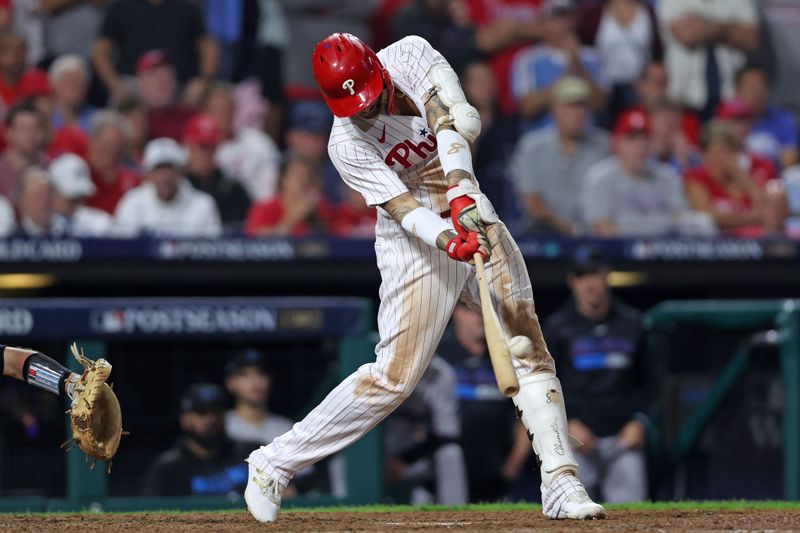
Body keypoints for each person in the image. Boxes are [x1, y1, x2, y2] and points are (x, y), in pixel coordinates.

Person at [243, 33, 605, 523]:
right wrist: (446, 239)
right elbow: (403, 209)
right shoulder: (344, 143)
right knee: (395, 377)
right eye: (352, 105)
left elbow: (451, 119)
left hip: (464, 200)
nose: (364, 111)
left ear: (375, 67)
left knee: (524, 339)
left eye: (366, 97)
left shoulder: (410, 54)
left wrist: (459, 192)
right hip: (413, 239)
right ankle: (273, 462)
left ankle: (560, 482)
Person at [543, 247, 650, 503]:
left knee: (632, 520)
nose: (589, 283)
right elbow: (547, 385)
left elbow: (650, 383)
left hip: (623, 439)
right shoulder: (557, 327)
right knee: (570, 514)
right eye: (582, 276)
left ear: (608, 276)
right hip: (576, 441)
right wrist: (566, 423)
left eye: (595, 274)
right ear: (572, 281)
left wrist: (641, 421)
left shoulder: (633, 324)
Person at [510, 76, 609, 234]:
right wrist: (570, 229)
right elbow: (531, 201)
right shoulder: (533, 146)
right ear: (553, 110)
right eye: (569, 106)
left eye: (582, 107)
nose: (577, 113)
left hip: (594, 232)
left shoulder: (604, 145)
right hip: (547, 231)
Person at [580, 109, 691, 236]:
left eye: (645, 138)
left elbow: (682, 220)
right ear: (617, 143)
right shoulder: (600, 177)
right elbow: (600, 227)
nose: (640, 145)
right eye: (631, 138)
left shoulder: (667, 176)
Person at [93, 0, 218, 103]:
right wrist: (116, 85)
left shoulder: (185, 6)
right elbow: (100, 52)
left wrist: (203, 81)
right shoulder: (121, 6)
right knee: (120, 108)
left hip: (179, 87)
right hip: (134, 86)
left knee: (212, 101)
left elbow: (208, 46)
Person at [510, 0, 607, 131]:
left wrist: (577, 63)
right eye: (556, 18)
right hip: (542, 138)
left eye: (568, 17)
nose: (563, 24)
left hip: (586, 139)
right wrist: (565, 74)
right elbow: (527, 108)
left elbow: (600, 103)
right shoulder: (528, 59)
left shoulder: (592, 57)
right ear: (544, 23)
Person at [384, 355, 468, 505]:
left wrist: (404, 460)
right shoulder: (379, 364)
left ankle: (456, 516)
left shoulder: (441, 372)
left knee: (450, 453)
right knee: (342, 458)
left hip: (414, 456)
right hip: (379, 450)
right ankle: (346, 515)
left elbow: (447, 433)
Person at [141, 383, 253, 496]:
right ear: (185, 420)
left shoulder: (249, 454)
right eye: (202, 412)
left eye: (217, 411)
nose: (212, 419)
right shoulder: (168, 469)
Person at [658, 0, 759, 120]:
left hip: (729, 98)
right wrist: (731, 28)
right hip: (685, 100)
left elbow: (750, 38)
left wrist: (702, 25)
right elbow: (687, 35)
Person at [684, 120, 787, 237]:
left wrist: (744, 178)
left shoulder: (744, 177)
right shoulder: (697, 178)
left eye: (728, 151)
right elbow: (707, 216)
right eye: (717, 151)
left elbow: (768, 209)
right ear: (704, 154)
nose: (722, 158)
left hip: (755, 239)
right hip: (717, 243)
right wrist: (754, 218)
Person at [115, 137, 222, 237]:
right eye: (159, 169)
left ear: (181, 172)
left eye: (170, 169)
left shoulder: (203, 205)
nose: (165, 177)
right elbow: (122, 249)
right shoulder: (132, 203)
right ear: (149, 174)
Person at [201, 82, 280, 202]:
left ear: (235, 110)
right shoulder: (200, 150)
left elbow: (270, 190)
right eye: (216, 109)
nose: (223, 115)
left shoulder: (259, 142)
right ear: (204, 112)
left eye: (227, 108)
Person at [182, 114, 251, 227]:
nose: (204, 154)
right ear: (188, 146)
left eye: (209, 147)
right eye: (199, 147)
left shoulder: (233, 191)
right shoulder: (177, 187)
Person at [244, 156, 329, 237]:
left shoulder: (320, 208)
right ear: (284, 179)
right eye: (299, 177)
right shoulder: (264, 209)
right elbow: (253, 241)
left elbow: (335, 237)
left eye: (309, 177)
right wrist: (291, 220)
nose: (305, 181)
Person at [734, 64, 799, 169]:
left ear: (767, 91)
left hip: (773, 177)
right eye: (751, 87)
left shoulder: (784, 120)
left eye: (761, 87)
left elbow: (789, 161)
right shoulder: (725, 119)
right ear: (737, 91)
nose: (756, 93)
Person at [224, 350, 293, 446]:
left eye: (261, 373)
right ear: (231, 383)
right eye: (244, 374)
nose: (255, 381)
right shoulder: (221, 424)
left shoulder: (285, 429)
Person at [84, 110, 141, 214]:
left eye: (113, 146)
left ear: (122, 149)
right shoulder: (79, 175)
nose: (106, 151)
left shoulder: (131, 182)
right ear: (91, 141)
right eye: (102, 144)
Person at [135, 50, 196, 142]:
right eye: (155, 77)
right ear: (141, 83)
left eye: (168, 75)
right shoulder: (133, 121)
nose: (163, 82)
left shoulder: (190, 117)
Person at [49, 153, 115, 237]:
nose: (77, 202)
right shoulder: (40, 225)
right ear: (53, 191)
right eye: (72, 197)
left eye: (80, 196)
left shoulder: (99, 224)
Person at [0, 100, 47, 206]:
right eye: (23, 128)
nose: (31, 134)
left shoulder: (50, 167)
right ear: (8, 133)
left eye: (35, 128)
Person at [48, 54, 96, 133]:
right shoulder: (45, 119)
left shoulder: (96, 119)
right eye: (67, 81)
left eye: (78, 81)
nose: (73, 86)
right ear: (54, 85)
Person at [16, 166, 53, 236]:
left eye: (48, 195)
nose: (44, 202)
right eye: (37, 196)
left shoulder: (69, 237)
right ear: (22, 201)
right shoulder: (11, 240)